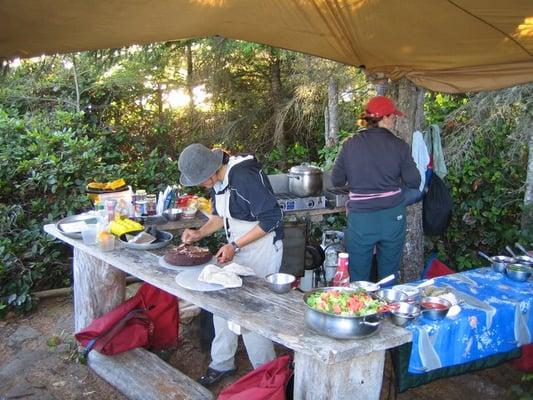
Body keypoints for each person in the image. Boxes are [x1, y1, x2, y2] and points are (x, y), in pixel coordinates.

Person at [177, 143, 284, 386]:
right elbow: (218, 217)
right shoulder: (218, 182)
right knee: (221, 302)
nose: (200, 185)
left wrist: (234, 246)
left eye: (200, 180)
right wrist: (198, 233)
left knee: (252, 313)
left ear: (212, 170)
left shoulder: (244, 177)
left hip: (262, 249)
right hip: (237, 247)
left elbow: (272, 218)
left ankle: (266, 375)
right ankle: (221, 362)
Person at [331, 96, 420, 284]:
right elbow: (414, 181)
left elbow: (337, 180)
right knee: (388, 274)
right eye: (392, 116)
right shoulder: (399, 146)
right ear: (383, 118)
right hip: (392, 217)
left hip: (361, 219)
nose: (394, 119)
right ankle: (387, 310)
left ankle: (361, 310)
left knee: (358, 275)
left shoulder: (350, 144)